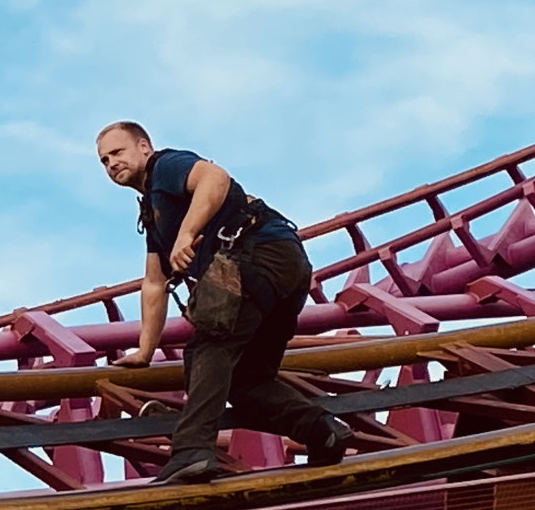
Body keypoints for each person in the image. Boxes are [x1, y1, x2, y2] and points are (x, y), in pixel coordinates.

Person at [96, 121, 350, 484]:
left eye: (117, 152)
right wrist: (144, 351)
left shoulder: (166, 166)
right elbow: (154, 283)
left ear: (143, 148)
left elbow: (215, 178)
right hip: (286, 270)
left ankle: (191, 453)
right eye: (104, 160)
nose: (111, 164)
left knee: (206, 349)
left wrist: (186, 233)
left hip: (258, 256)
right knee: (245, 381)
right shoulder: (154, 215)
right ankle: (323, 431)